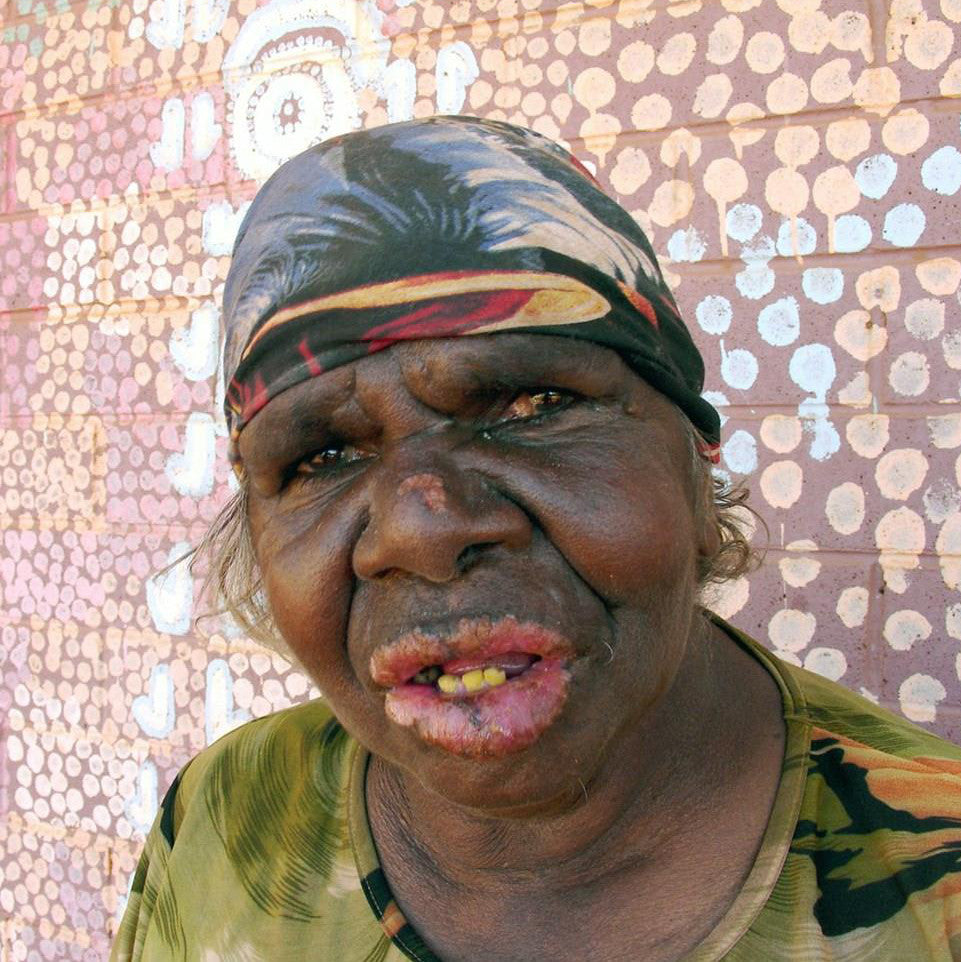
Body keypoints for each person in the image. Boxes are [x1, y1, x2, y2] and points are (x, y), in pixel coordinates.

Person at [111, 117, 961, 962]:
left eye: (532, 405)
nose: (420, 528)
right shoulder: (225, 823)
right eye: (321, 456)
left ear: (696, 474)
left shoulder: (935, 884)